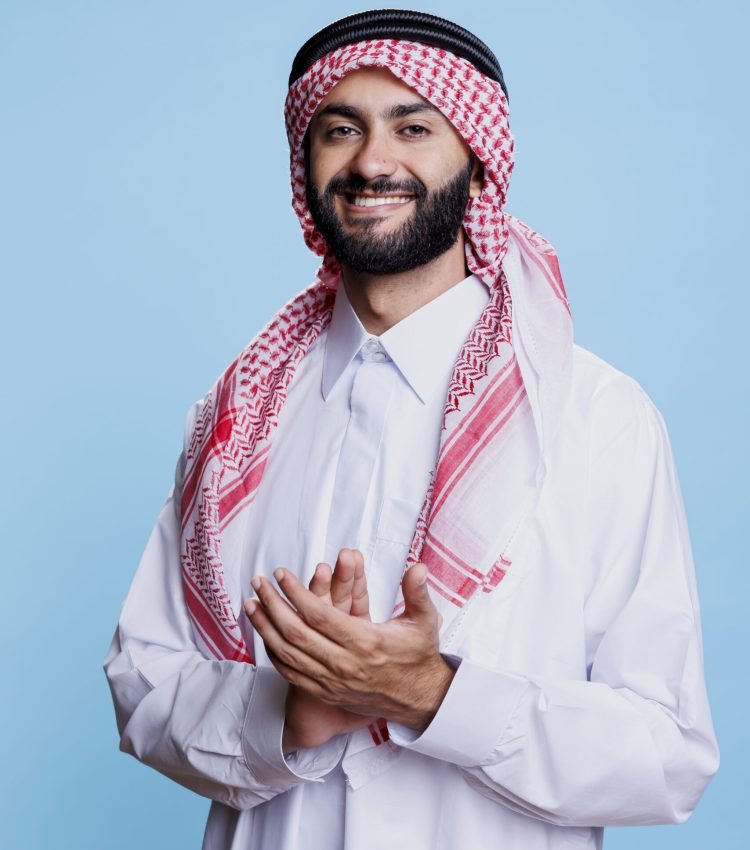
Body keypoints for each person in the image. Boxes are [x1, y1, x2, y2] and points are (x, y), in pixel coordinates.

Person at [104, 9, 719, 850]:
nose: (372, 162)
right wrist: (293, 712)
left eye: (414, 126)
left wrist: (433, 694)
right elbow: (143, 686)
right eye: (341, 129)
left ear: (476, 159)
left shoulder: (596, 419)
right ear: (305, 160)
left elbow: (666, 754)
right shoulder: (235, 423)